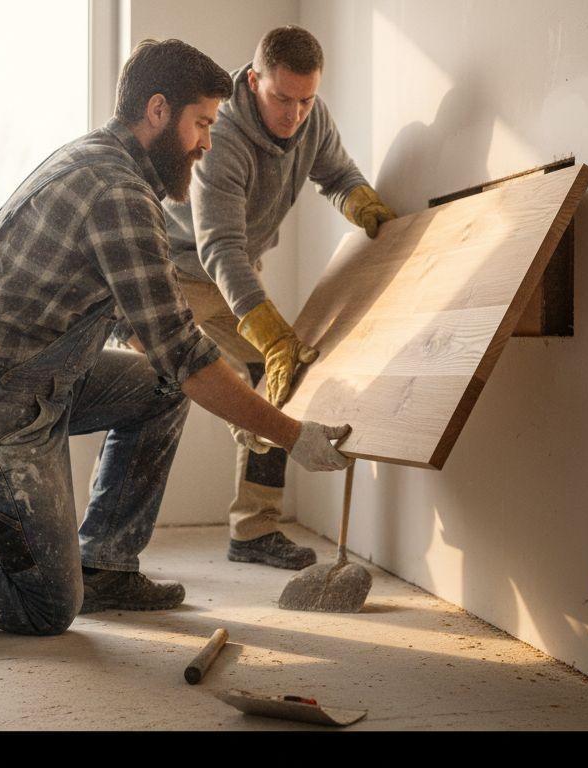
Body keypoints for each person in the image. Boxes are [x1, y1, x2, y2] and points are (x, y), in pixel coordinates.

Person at [0, 39, 351, 636]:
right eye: (200, 123)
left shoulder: (97, 158)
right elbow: (184, 351)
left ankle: (106, 565)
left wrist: (189, 373)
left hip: (31, 378)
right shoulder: (120, 193)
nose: (205, 142)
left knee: (161, 389)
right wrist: (290, 434)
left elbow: (128, 320)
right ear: (157, 111)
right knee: (46, 604)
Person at [161, 26, 396, 569]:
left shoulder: (311, 119)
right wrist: (269, 334)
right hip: (176, 269)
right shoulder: (221, 136)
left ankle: (253, 532)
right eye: (282, 99)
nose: (295, 114)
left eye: (307, 99)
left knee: (276, 387)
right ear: (253, 81)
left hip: (234, 269)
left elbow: (337, 174)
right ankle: (104, 550)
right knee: (155, 390)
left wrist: (366, 207)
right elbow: (218, 244)